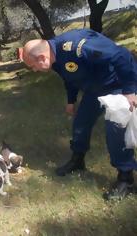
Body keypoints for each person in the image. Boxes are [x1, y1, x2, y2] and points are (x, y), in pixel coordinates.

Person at [21, 29, 137, 200]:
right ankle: (78, 160)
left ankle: (126, 178)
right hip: (94, 89)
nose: (35, 71)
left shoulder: (78, 47)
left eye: (33, 66)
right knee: (81, 123)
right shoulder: (55, 58)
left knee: (115, 130)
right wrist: (71, 100)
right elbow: (70, 77)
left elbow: (121, 55)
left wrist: (129, 90)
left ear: (42, 58)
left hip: (117, 83)